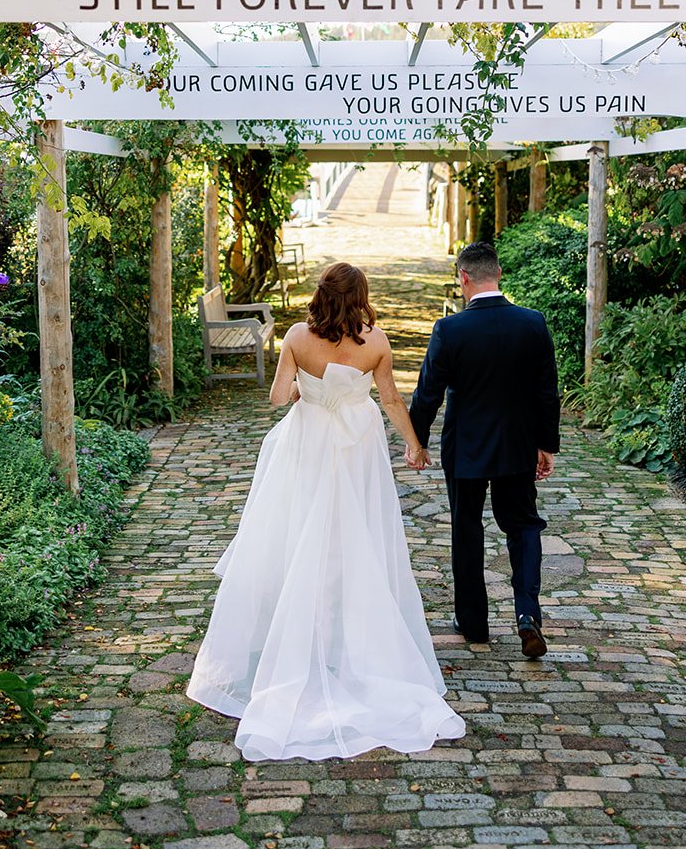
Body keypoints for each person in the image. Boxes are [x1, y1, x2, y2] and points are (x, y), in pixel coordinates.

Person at [187, 262, 465, 762]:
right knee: (353, 535)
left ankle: (298, 633)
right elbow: (391, 400)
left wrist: (304, 389)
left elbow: (276, 398)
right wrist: (415, 446)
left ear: (321, 294)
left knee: (298, 533)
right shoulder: (375, 342)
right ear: (361, 297)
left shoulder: (296, 336)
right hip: (357, 447)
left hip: (308, 443)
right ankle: (348, 636)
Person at [407, 240, 560, 656]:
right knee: (524, 525)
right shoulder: (532, 323)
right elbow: (547, 391)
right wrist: (545, 444)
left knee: (467, 528)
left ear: (464, 278)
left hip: (466, 447)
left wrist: (415, 441)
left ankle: (474, 624)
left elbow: (427, 394)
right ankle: (528, 614)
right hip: (517, 444)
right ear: (499, 274)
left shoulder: (450, 329)